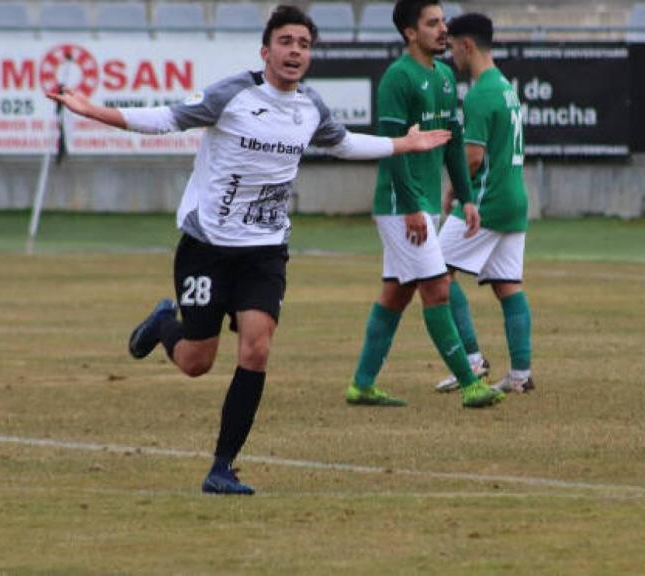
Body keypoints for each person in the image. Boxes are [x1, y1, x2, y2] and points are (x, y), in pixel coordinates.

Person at [47, 5, 452, 495]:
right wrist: (94, 111)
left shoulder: (310, 108)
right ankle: (163, 325)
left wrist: (402, 146)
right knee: (197, 362)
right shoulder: (232, 93)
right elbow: (166, 119)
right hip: (208, 247)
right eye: (286, 42)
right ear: (266, 51)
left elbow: (343, 144)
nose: (294, 52)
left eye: (303, 44)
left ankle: (222, 466)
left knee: (256, 348)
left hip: (265, 251)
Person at [345, 0, 505, 409]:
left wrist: (467, 198)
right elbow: (391, 149)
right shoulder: (397, 78)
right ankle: (471, 384)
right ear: (409, 33)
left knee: (396, 294)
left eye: (443, 22)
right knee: (437, 287)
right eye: (432, 23)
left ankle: (362, 385)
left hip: (426, 202)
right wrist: (413, 206)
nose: (442, 29)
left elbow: (452, 143)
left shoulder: (447, 76)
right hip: (402, 205)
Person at [434, 12, 533, 395]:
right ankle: (521, 375)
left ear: (467, 45)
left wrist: (455, 190)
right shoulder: (505, 87)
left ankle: (471, 360)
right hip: (514, 200)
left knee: (436, 274)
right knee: (508, 286)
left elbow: (473, 158)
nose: (451, 55)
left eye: (452, 46)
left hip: (487, 200)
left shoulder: (480, 93)